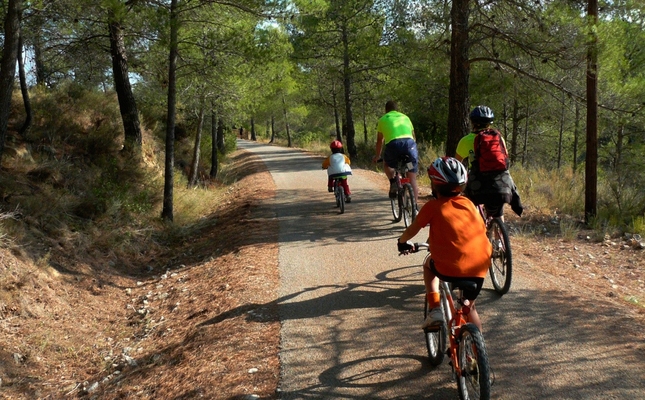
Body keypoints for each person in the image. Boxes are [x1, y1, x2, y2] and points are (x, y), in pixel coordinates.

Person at [397, 157, 492, 332]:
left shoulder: (432, 206)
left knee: (428, 265)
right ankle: (477, 352)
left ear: (434, 184)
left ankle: (434, 310)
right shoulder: (469, 204)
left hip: (450, 269)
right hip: (480, 267)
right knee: (469, 307)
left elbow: (413, 229)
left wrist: (402, 242)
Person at [455, 105, 523, 220]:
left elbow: (457, 164)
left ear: (472, 123)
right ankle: (499, 236)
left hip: (478, 181)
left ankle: (476, 226)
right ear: (489, 123)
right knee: (498, 211)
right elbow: (505, 157)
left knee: (470, 203)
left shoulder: (465, 140)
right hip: (500, 181)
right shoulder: (498, 138)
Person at [372, 100, 419, 202]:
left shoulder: (383, 119)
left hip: (394, 146)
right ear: (397, 109)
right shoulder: (405, 117)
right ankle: (414, 207)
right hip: (410, 146)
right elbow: (414, 137)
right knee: (412, 178)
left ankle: (393, 181)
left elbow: (380, 140)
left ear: (386, 110)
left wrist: (377, 156)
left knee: (387, 164)